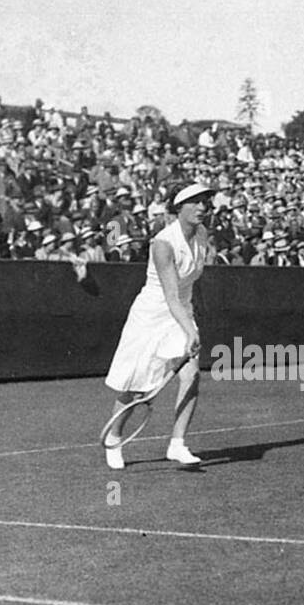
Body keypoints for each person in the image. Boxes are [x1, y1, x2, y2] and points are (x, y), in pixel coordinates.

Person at [101, 182, 214, 469]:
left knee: (191, 375)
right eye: (196, 202)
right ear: (179, 207)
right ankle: (114, 437)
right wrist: (190, 330)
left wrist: (192, 322)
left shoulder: (202, 234)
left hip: (182, 311)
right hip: (152, 316)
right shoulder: (162, 244)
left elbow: (189, 286)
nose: (203, 207)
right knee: (137, 389)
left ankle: (177, 444)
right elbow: (171, 295)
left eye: (206, 202)